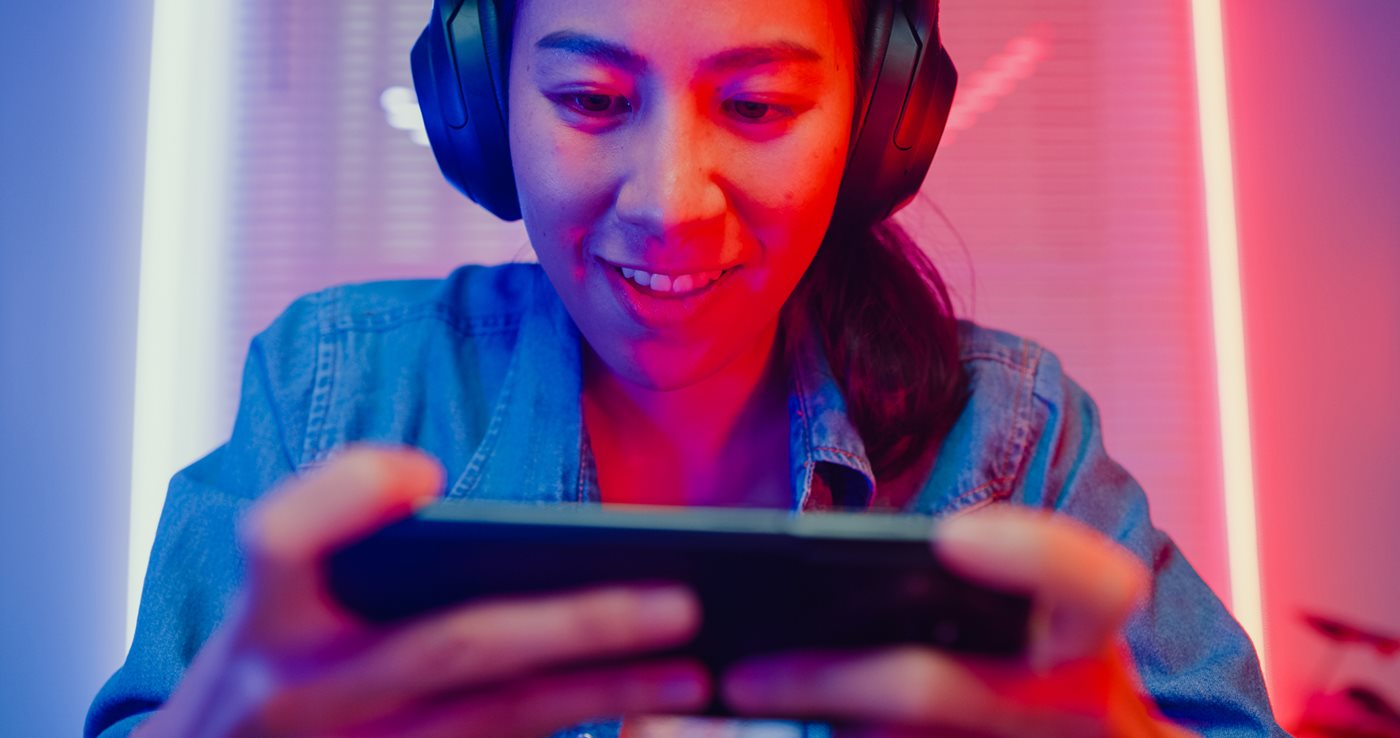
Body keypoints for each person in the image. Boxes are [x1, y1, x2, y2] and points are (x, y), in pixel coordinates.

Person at [86, 0, 1286, 735]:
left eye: (758, 106)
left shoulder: (1012, 440)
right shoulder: (333, 391)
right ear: (477, 103)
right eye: (591, 97)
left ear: (879, 121)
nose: (668, 206)